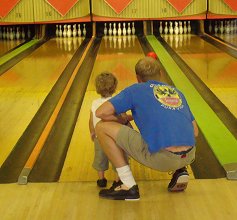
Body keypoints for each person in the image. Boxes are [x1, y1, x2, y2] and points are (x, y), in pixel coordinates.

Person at [95, 57, 198, 200]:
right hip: (190, 155)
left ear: (138, 78)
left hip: (163, 159)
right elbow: (195, 131)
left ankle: (128, 185)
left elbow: (101, 112)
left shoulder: (135, 90)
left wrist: (122, 119)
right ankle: (180, 170)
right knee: (169, 126)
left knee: (101, 126)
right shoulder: (176, 92)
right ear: (160, 74)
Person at [89, 72, 121, 188]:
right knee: (118, 158)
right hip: (115, 136)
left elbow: (91, 120)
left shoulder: (94, 103)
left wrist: (92, 132)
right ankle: (118, 180)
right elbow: (122, 117)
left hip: (99, 137)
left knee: (100, 158)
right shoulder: (117, 101)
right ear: (114, 87)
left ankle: (101, 180)